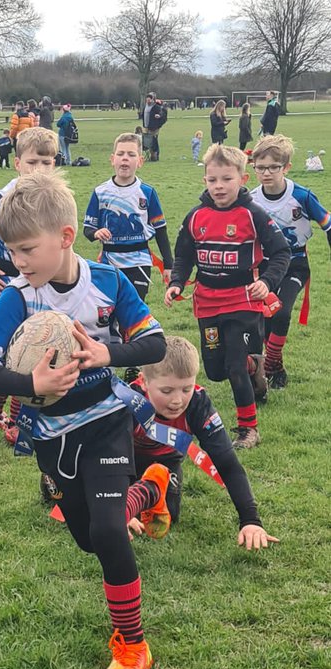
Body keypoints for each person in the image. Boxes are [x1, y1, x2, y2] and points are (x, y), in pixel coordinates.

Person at [0, 172, 167, 669]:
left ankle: (132, 645)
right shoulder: (17, 297)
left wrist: (108, 352)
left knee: (106, 529)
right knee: (86, 536)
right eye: (11, 251)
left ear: (65, 237)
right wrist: (30, 381)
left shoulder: (109, 282)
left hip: (106, 424)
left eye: (27, 249)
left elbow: (155, 345)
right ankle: (150, 491)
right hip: (52, 438)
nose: (18, 261)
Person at [165, 143, 290, 450]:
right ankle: (253, 367)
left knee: (233, 362)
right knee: (217, 369)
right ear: (205, 180)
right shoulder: (195, 216)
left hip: (243, 301)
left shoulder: (253, 214)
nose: (219, 186)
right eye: (212, 180)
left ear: (243, 179)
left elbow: (282, 253)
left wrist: (269, 283)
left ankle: (248, 428)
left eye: (226, 179)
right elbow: (183, 256)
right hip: (207, 302)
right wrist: (177, 282)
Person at [126, 336, 278, 550]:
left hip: (166, 464)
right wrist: (118, 511)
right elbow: (106, 459)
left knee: (171, 515)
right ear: (144, 382)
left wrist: (251, 521)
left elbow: (227, 464)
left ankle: (145, 492)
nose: (177, 400)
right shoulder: (128, 403)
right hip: (124, 463)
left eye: (186, 389)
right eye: (167, 391)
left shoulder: (198, 404)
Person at [0, 127, 59, 441]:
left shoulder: (52, 198)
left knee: (29, 345)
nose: (40, 169)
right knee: (10, 350)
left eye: (47, 163)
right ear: (17, 163)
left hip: (37, 280)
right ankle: (16, 422)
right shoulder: (2, 197)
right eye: (33, 162)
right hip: (3, 280)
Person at [249, 133, 331, 392]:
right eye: (260, 167)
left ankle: (271, 363)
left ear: (286, 167)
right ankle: (276, 368)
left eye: (273, 167)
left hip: (295, 264)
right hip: (264, 268)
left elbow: (328, 225)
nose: (266, 173)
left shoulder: (303, 196)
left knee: (282, 312)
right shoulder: (251, 200)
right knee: (266, 319)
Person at [83, 132, 173, 303]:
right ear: (112, 159)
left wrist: (168, 264)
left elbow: (161, 230)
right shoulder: (100, 193)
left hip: (139, 261)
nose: (125, 158)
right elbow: (87, 229)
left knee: (133, 308)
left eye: (131, 155)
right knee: (110, 310)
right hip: (109, 261)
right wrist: (96, 233)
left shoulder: (147, 193)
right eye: (120, 154)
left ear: (140, 161)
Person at [139, 91, 167, 162]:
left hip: (154, 128)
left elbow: (162, 113)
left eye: (149, 99)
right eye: (147, 99)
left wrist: (159, 116)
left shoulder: (156, 107)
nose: (148, 101)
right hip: (146, 127)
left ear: (152, 100)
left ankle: (155, 156)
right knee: (147, 142)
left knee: (154, 141)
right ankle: (150, 155)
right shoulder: (145, 107)